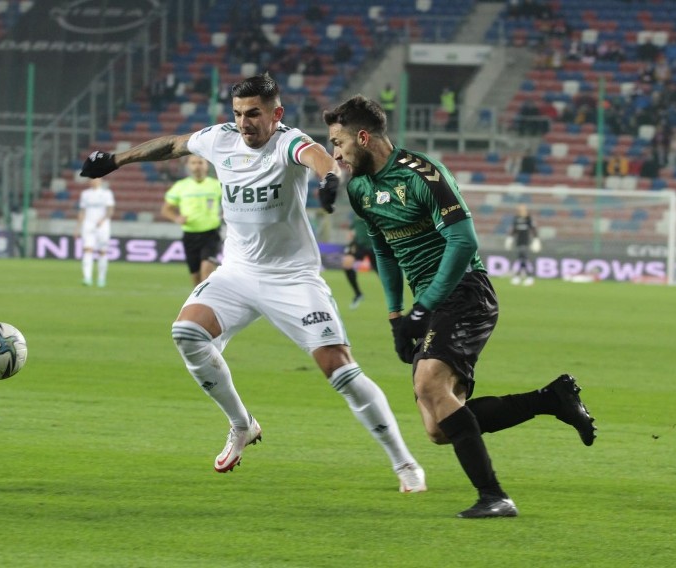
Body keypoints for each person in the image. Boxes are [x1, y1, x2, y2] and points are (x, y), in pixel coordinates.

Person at [79, 74, 426, 493]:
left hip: (292, 278)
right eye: (239, 114)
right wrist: (115, 160)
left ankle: (405, 464)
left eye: (254, 114)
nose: (244, 123)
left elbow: (319, 156)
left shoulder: (288, 142)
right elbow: (172, 145)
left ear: (276, 114)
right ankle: (241, 424)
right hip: (239, 272)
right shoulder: (220, 139)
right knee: (187, 332)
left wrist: (330, 178)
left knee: (340, 369)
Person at [323, 95, 596, 519]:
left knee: (430, 384)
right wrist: (397, 315)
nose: (334, 154)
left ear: (363, 136)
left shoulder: (422, 175)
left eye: (338, 143)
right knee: (437, 427)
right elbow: (383, 250)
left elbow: (464, 241)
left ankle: (495, 496)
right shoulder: (360, 189)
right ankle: (551, 399)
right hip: (427, 303)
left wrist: (422, 308)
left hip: (466, 291)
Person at [161, 154, 223, 286]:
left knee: (206, 273)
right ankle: (201, 302)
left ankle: (210, 304)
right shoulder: (180, 186)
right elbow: (166, 209)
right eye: (193, 163)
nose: (197, 166)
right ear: (188, 166)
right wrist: (177, 218)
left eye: (200, 162)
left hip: (211, 234)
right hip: (190, 235)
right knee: (196, 279)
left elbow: (231, 203)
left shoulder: (217, 185)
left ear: (206, 165)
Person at [74, 177, 115, 287]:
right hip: (88, 224)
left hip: (102, 225)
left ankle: (101, 278)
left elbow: (110, 210)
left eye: (96, 179)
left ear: (101, 181)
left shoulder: (107, 193)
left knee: (102, 251)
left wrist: (103, 220)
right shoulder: (85, 194)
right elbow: (82, 211)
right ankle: (87, 278)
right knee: (87, 250)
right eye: (92, 179)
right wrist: (77, 228)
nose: (94, 181)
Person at [342, 215, 377, 309]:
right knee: (347, 263)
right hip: (359, 245)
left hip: (374, 245)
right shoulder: (356, 213)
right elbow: (352, 229)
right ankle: (358, 294)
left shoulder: (374, 208)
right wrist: (351, 241)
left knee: (383, 274)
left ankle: (396, 295)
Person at [505, 204, 540, 286]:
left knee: (523, 258)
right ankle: (524, 276)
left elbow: (533, 229)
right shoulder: (516, 219)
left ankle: (525, 276)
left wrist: (536, 239)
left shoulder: (528, 219)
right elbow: (514, 230)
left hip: (525, 241)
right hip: (518, 241)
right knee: (521, 258)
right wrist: (510, 239)